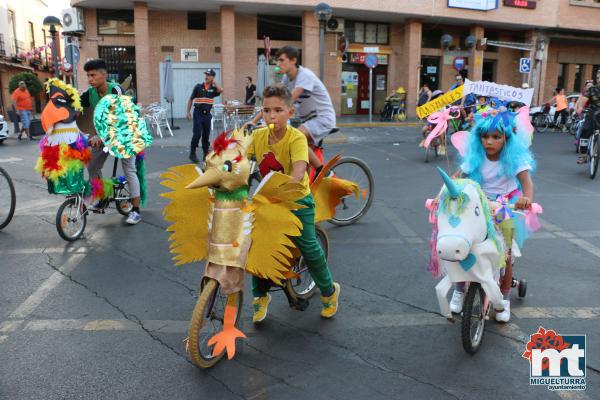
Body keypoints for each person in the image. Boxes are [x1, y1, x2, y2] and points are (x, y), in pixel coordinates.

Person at [245, 84, 340, 322]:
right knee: (257, 245)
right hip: (267, 201)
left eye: (278, 110)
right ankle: (260, 295)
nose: (271, 115)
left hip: (296, 200)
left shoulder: (296, 138)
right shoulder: (257, 137)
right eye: (267, 110)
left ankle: (329, 291)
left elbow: (299, 169)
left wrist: (290, 186)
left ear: (290, 112)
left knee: (308, 245)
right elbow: (239, 161)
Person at [446, 111, 535, 323]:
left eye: (496, 137)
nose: (490, 142)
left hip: (505, 205)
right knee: (462, 244)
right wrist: (448, 190)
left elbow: (527, 184)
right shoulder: (475, 158)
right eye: (485, 137)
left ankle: (504, 296)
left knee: (504, 252)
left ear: (507, 138)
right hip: (478, 205)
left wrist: (526, 198)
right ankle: (459, 288)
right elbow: (456, 179)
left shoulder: (514, 159)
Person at [245, 46, 335, 172]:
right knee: (297, 153)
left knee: (297, 137)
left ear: (293, 60)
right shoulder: (287, 78)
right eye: (277, 61)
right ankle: (308, 180)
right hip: (308, 120)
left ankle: (323, 172)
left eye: (282, 60)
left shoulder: (305, 76)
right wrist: (254, 122)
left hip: (322, 118)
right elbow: (273, 101)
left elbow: (286, 102)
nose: (278, 64)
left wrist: (259, 121)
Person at [80, 58, 142, 225]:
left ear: (103, 74)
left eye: (93, 75)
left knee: (129, 169)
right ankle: (103, 195)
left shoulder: (115, 90)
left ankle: (136, 211)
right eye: (88, 76)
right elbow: (75, 110)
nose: (90, 79)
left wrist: (101, 136)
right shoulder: (90, 93)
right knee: (92, 165)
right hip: (104, 134)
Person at [186, 69, 222, 163]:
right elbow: (191, 99)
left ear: (212, 77)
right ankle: (192, 153)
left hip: (207, 115)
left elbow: (221, 90)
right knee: (197, 134)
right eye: (206, 74)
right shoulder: (198, 87)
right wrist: (188, 112)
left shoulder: (213, 89)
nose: (206, 76)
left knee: (206, 135)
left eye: (209, 75)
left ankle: (205, 154)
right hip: (198, 113)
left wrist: (214, 83)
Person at [575, 71, 600, 164]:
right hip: (593, 114)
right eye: (597, 78)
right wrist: (580, 108)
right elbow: (583, 100)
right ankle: (583, 155)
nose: (599, 80)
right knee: (585, 131)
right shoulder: (592, 89)